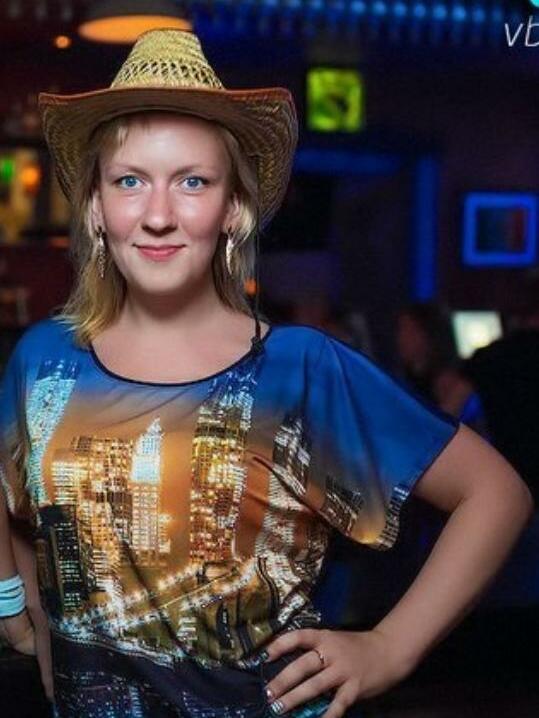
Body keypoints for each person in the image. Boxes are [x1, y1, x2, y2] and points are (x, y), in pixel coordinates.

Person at [0, 28, 534, 718]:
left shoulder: (297, 368)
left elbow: (495, 494)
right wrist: (21, 611)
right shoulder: (43, 358)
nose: (158, 215)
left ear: (233, 209)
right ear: (97, 207)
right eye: (130, 180)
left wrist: (388, 647)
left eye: (192, 182)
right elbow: (17, 499)